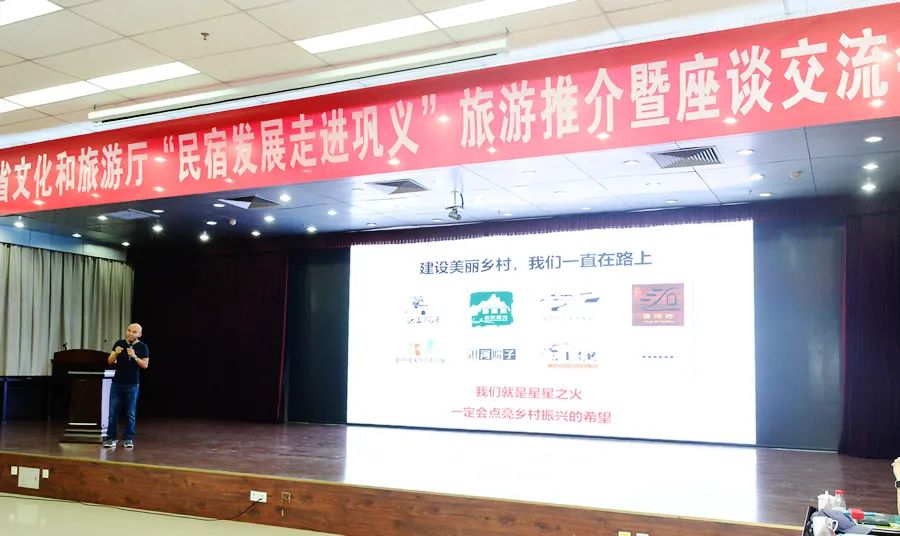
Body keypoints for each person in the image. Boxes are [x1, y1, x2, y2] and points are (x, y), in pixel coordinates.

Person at [102, 323, 149, 449]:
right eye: (129, 330)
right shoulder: (119, 343)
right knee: (112, 413)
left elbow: (145, 365)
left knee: (130, 413)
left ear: (140, 334)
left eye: (134, 332)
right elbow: (110, 361)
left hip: (132, 384)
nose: (130, 333)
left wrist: (134, 356)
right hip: (117, 383)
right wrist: (115, 353)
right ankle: (111, 438)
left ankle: (128, 439)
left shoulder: (142, 347)